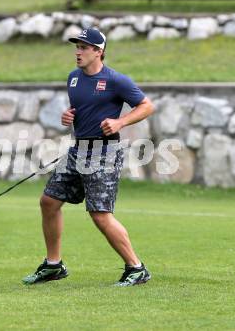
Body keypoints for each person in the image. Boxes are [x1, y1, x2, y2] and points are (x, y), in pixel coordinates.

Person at [22, 28, 155, 286]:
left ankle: (136, 268)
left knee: (99, 214)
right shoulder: (73, 79)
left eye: (84, 47)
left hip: (105, 152)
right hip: (78, 150)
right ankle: (53, 265)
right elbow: (80, 111)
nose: (78, 52)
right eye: (77, 46)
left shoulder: (117, 80)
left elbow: (147, 106)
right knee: (48, 202)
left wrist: (120, 122)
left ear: (99, 51)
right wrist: (67, 117)